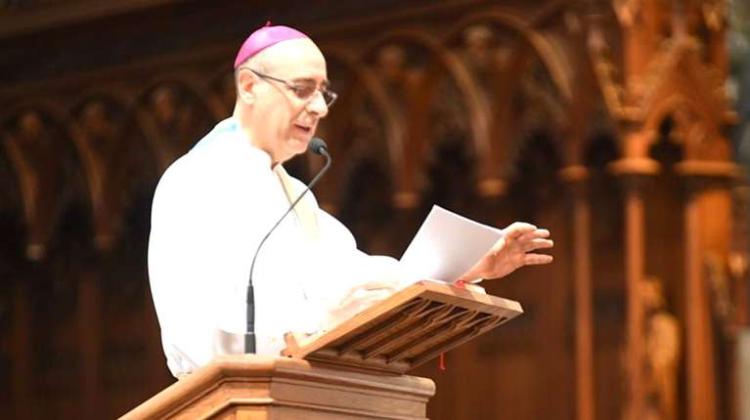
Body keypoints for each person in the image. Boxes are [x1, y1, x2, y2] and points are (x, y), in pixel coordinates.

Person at [147, 24, 554, 378]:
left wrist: (468, 264)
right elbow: (200, 335)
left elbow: (356, 281)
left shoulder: (295, 196)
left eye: (323, 93)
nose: (319, 108)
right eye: (302, 90)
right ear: (250, 86)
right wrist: (317, 324)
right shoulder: (196, 180)